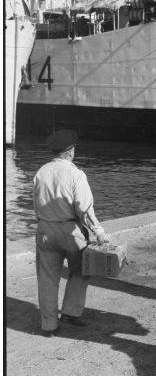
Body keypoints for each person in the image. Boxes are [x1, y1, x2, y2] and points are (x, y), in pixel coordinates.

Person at [33, 130, 110, 336]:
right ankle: (71, 312)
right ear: (70, 151)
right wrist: (98, 231)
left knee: (47, 278)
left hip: (45, 228)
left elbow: (36, 205)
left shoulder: (41, 172)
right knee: (81, 270)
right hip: (70, 229)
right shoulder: (76, 174)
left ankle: (48, 325)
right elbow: (84, 208)